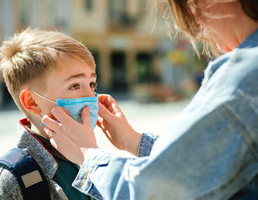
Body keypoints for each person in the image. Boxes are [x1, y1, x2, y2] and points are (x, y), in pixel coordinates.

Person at [42, 0, 258, 199]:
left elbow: (153, 190)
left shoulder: (245, 75)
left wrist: (86, 152)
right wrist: (133, 141)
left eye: (191, 4)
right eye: (74, 86)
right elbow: (203, 162)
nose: (196, 21)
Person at [0, 28, 98, 200]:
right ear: (32, 101)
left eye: (92, 83)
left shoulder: (90, 155)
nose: (91, 96)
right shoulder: (15, 177)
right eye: (75, 86)